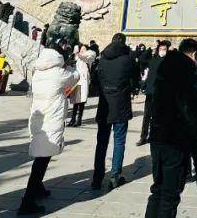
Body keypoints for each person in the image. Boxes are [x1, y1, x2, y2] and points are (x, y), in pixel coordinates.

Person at [138, 38, 197, 218]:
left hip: (157, 140)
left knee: (156, 190)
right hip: (176, 141)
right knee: (170, 194)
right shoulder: (186, 75)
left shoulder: (163, 72)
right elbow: (191, 111)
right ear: (194, 54)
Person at [19, 45, 78, 215]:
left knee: (41, 155)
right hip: (51, 119)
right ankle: (27, 201)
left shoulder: (39, 71)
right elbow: (76, 76)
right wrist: (68, 65)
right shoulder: (59, 73)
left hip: (38, 118)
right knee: (42, 159)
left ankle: (38, 188)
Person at [93, 33, 136, 190]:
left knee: (101, 142)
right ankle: (114, 176)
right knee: (119, 141)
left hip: (104, 105)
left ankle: (97, 178)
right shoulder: (128, 58)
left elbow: (96, 79)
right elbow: (135, 77)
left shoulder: (102, 58)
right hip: (120, 105)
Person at [139, 41, 168, 144]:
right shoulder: (153, 60)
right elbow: (142, 59)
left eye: (164, 49)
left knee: (158, 116)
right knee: (147, 116)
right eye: (161, 49)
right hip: (151, 92)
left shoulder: (168, 62)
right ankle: (143, 136)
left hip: (162, 93)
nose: (162, 51)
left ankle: (155, 136)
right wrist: (149, 49)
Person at [68, 46, 94, 127]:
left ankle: (79, 120)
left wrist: (78, 54)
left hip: (83, 81)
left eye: (83, 48)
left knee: (81, 102)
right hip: (77, 81)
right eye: (81, 48)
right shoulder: (77, 57)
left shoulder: (90, 54)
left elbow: (85, 58)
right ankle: (73, 119)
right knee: (76, 102)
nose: (82, 50)